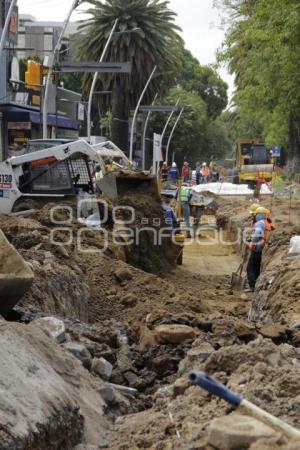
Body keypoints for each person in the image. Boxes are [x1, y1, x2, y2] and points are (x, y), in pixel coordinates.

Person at [245, 206, 273, 292]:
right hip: (264, 249)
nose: (254, 216)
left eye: (256, 214)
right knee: (257, 267)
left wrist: (251, 243)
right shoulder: (267, 222)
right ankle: (255, 284)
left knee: (251, 267)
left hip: (258, 248)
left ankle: (252, 286)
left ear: (259, 215)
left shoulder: (260, 223)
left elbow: (257, 235)